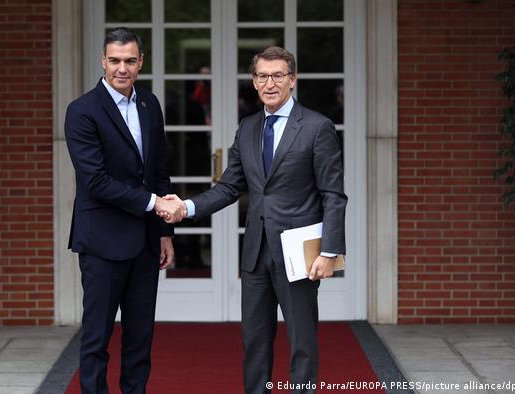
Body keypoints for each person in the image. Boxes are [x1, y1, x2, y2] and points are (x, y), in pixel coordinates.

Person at [158, 46, 347, 393]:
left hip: (299, 254)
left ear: (292, 80)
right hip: (255, 252)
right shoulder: (248, 128)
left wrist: (330, 250)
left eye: (277, 75)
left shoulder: (318, 127)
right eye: (262, 76)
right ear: (254, 82)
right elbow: (230, 186)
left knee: (302, 343)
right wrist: (186, 207)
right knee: (255, 343)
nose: (269, 83)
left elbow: (333, 195)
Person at [64, 27, 179, 394]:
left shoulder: (150, 104)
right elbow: (95, 181)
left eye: (130, 60)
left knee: (140, 340)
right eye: (114, 60)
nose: (122, 68)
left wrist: (164, 232)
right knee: (96, 340)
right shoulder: (82, 111)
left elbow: (159, 168)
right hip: (102, 243)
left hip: (145, 242)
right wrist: (153, 204)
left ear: (141, 62)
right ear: (103, 60)